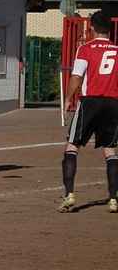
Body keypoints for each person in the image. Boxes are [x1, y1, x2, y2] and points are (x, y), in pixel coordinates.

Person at [59, 11, 118, 213]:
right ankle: (113, 199)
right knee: (110, 150)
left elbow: (76, 76)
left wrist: (68, 98)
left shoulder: (85, 49)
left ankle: (69, 195)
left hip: (90, 102)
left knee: (72, 146)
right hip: (113, 103)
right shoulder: (117, 50)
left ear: (92, 27)